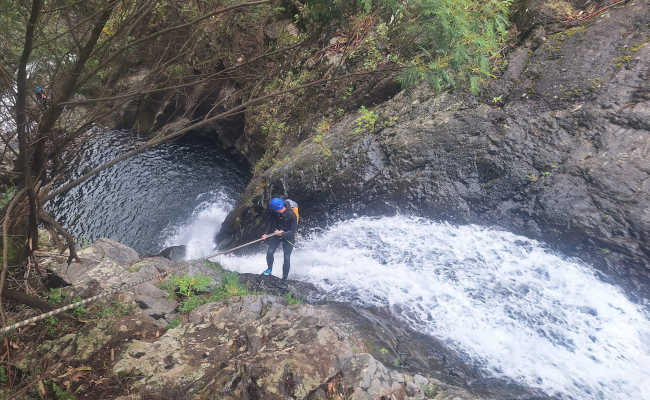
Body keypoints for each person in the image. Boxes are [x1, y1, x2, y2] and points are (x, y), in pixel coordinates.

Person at [261, 197, 297, 280]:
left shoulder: (292, 215)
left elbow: (293, 232)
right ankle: (269, 269)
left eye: (277, 209)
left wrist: (282, 233)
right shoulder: (274, 211)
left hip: (288, 235)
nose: (277, 211)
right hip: (276, 233)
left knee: (286, 257)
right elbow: (270, 222)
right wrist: (266, 233)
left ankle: (284, 278)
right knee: (270, 252)